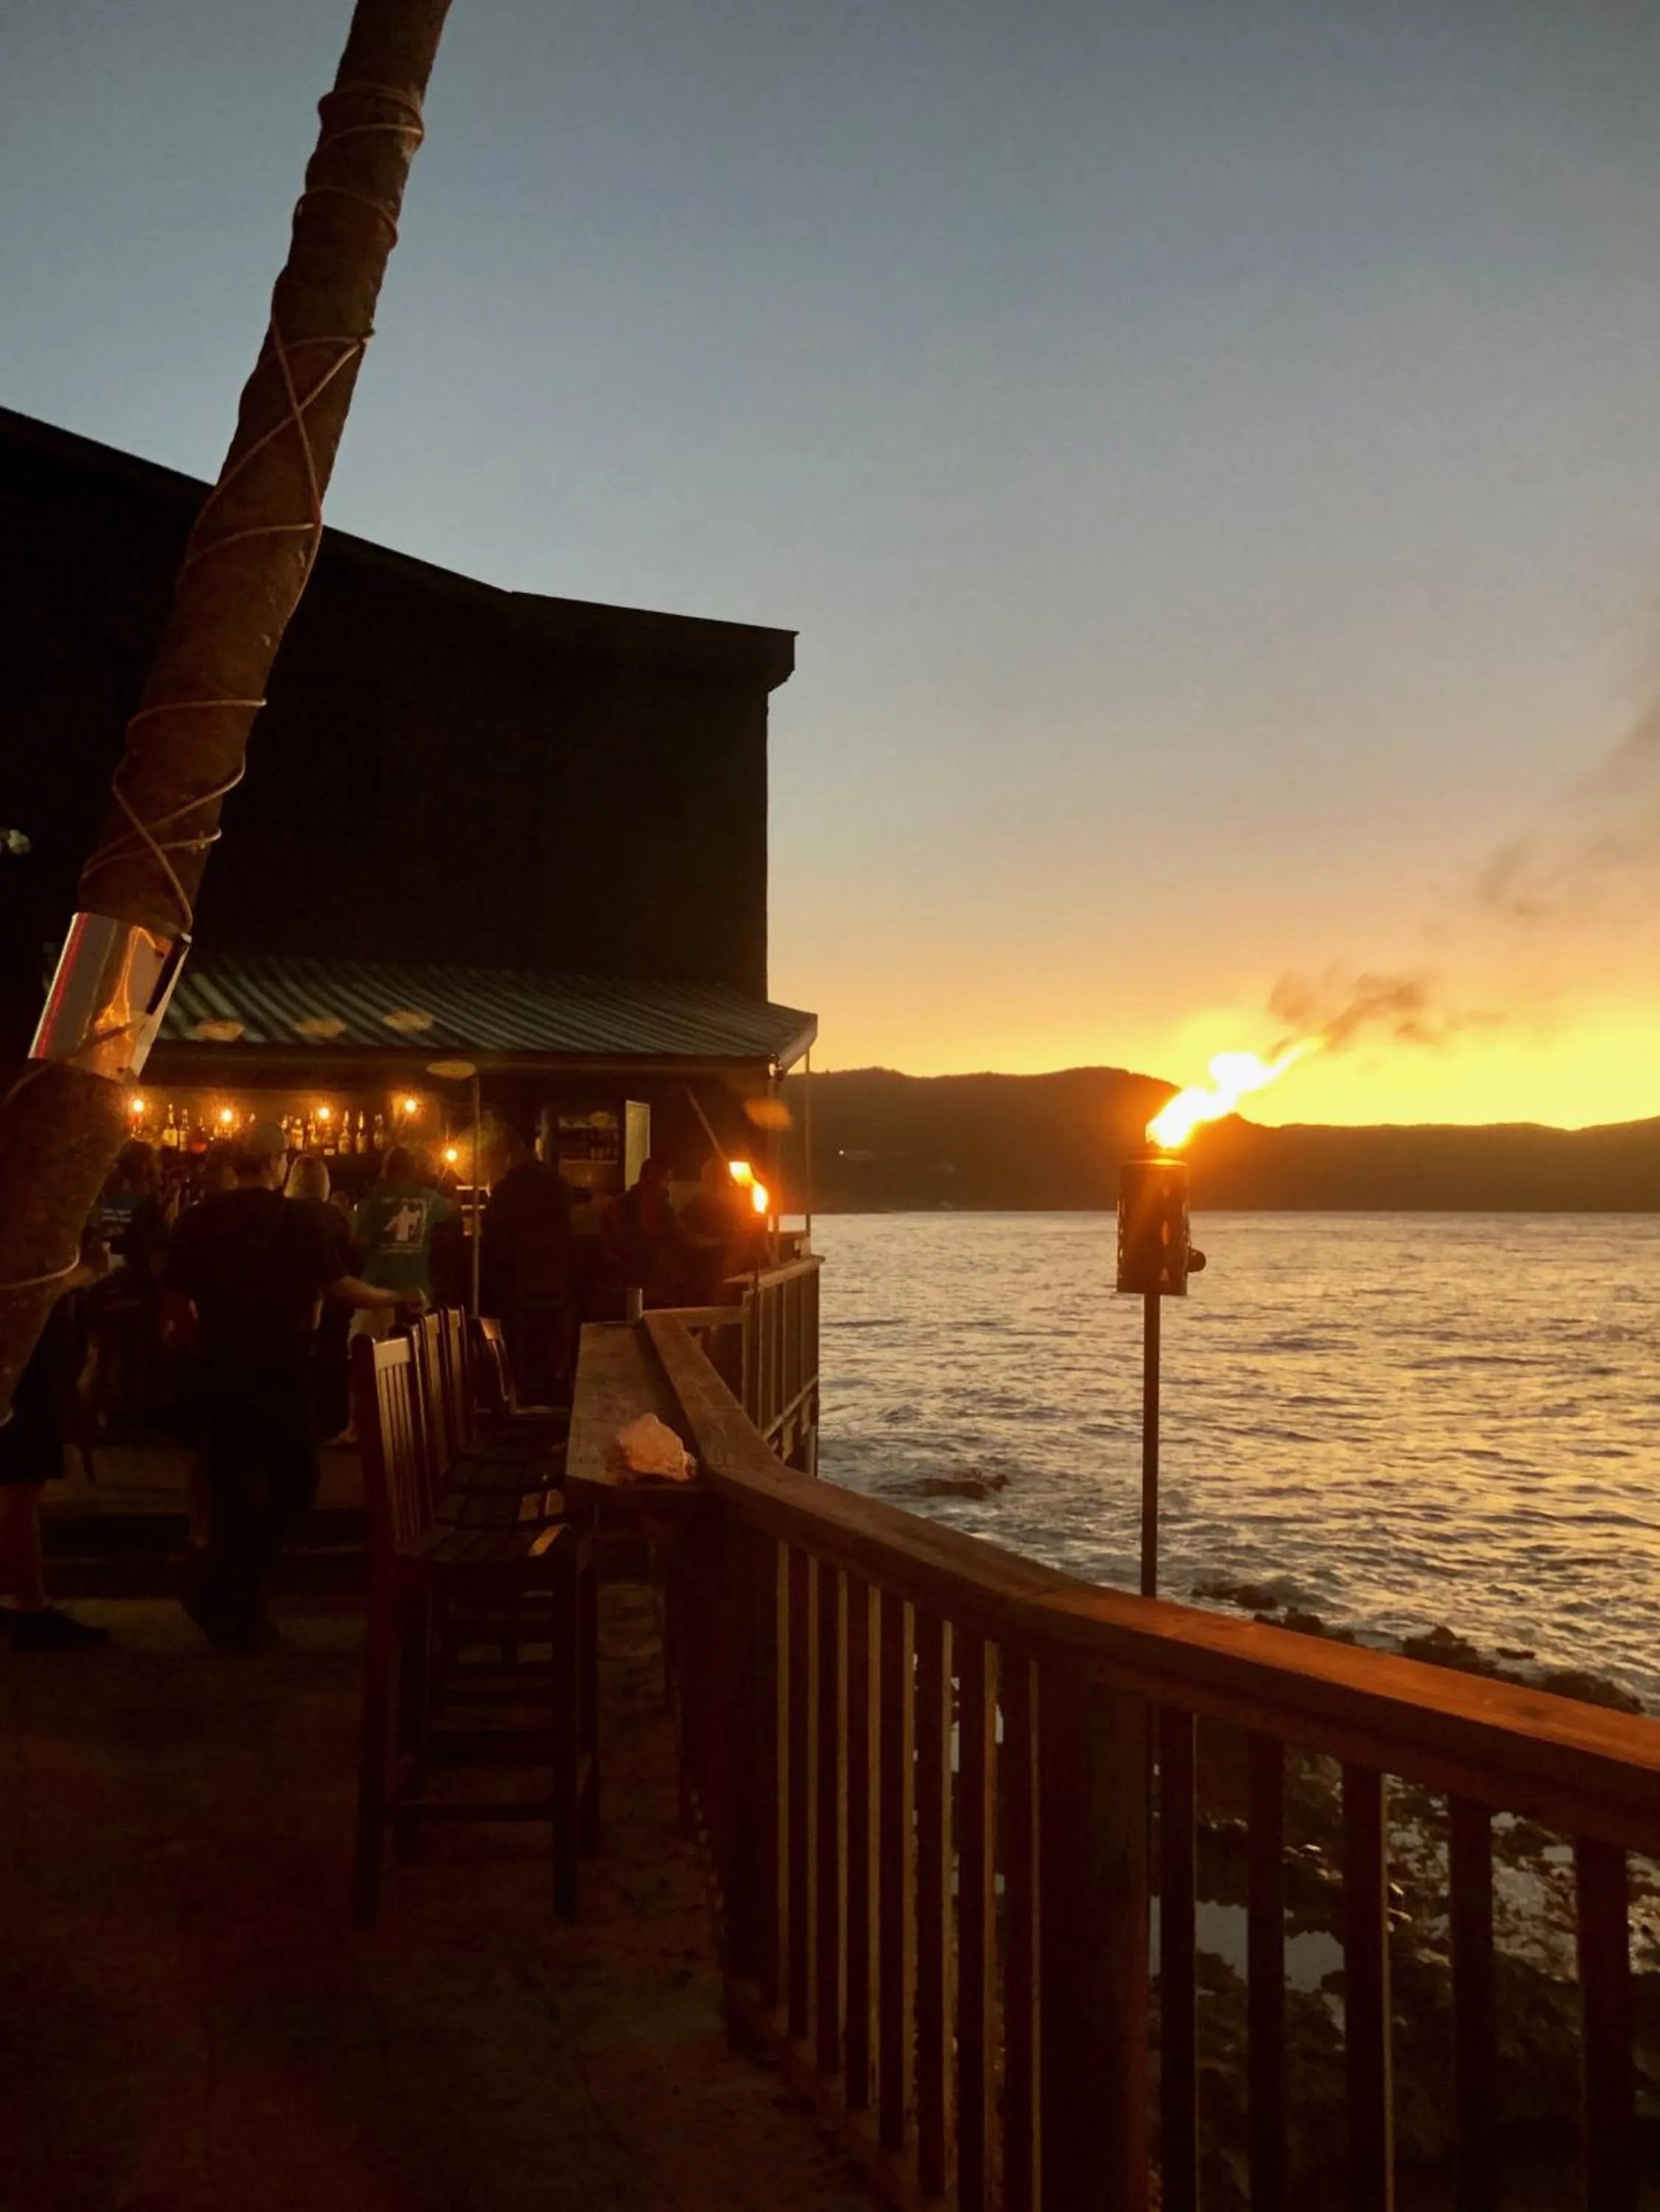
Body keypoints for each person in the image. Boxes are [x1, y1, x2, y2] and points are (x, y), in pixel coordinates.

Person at [164, 1120, 417, 1652]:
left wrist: (194, 1344)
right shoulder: (296, 1218)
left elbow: (176, 1304)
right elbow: (340, 1287)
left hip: (220, 1369)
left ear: (236, 1162)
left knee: (232, 1488)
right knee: (295, 1481)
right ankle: (232, 1599)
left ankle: (234, 1604)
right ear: (279, 1163)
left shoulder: (196, 1219)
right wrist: (394, 1298)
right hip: (280, 1367)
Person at [0, 1228, 109, 1651]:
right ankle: (28, 1604)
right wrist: (83, 1271)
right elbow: (20, 1290)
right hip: (18, 1354)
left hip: (20, 1351)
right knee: (21, 1480)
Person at [481, 1126, 575, 1399]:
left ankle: (513, 1381)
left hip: (514, 1282)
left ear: (513, 1160)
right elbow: (571, 1228)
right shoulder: (560, 1186)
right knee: (565, 1312)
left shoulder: (504, 1189)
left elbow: (489, 1234)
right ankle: (557, 1375)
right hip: (557, 1280)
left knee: (497, 1298)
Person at [285, 1152, 361, 1441]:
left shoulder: (286, 1213)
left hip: (295, 1301)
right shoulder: (336, 1219)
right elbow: (353, 1261)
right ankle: (331, 1419)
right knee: (333, 1359)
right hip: (338, 1302)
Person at [350, 1146, 456, 1340]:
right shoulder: (431, 1199)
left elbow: (358, 1243)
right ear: (414, 1170)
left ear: (385, 1169)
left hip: (377, 1299)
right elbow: (452, 1213)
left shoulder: (373, 1200)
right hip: (418, 1298)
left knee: (367, 1359)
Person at [599, 1155, 684, 1310]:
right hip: (648, 1284)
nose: (665, 1187)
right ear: (646, 1177)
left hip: (616, 1281)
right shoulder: (657, 1204)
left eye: (668, 1181)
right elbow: (684, 1237)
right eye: (663, 1180)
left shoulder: (616, 1204)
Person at [676, 1152, 758, 1304]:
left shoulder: (729, 1211)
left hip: (728, 1278)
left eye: (724, 1180)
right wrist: (725, 1242)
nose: (722, 1185)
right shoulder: (692, 1211)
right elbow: (690, 1241)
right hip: (699, 1276)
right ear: (706, 1181)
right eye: (718, 1180)